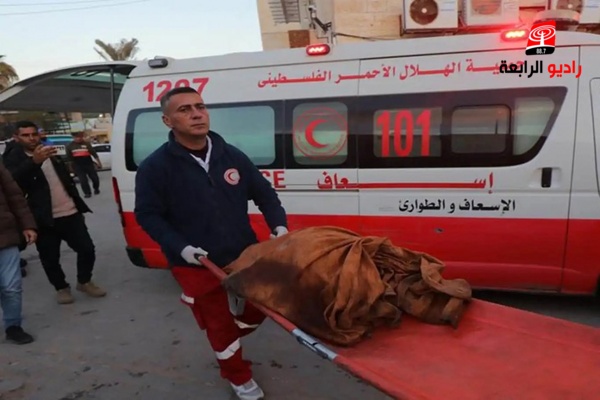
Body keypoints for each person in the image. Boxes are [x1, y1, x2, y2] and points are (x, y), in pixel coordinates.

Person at [134, 86, 288, 400]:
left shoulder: (231, 155)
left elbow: (265, 194)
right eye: (184, 109)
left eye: (200, 106)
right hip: (195, 263)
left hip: (243, 254)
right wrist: (182, 248)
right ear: (167, 121)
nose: (196, 114)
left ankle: (232, 329)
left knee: (263, 305)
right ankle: (238, 376)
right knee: (219, 325)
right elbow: (148, 215)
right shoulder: (155, 167)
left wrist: (279, 225)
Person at [2, 121, 106, 305]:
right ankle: (61, 288)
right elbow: (13, 184)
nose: (31, 138)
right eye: (25, 135)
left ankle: (84, 281)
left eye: (34, 134)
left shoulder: (49, 150)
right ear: (16, 138)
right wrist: (33, 162)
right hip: (42, 218)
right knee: (50, 258)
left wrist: (77, 205)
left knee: (87, 249)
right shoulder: (12, 158)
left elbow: (65, 179)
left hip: (69, 212)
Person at [0, 159, 37, 344]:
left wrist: (27, 225)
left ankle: (13, 326)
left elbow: (15, 196)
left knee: (11, 286)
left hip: (5, 235)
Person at [65, 132, 102, 198]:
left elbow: (94, 154)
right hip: (78, 165)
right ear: (73, 138)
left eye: (80, 137)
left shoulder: (87, 144)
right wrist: (71, 168)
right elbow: (69, 158)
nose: (79, 138)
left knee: (95, 178)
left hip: (88, 163)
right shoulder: (70, 146)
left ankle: (96, 188)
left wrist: (99, 163)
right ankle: (87, 193)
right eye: (77, 137)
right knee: (83, 180)